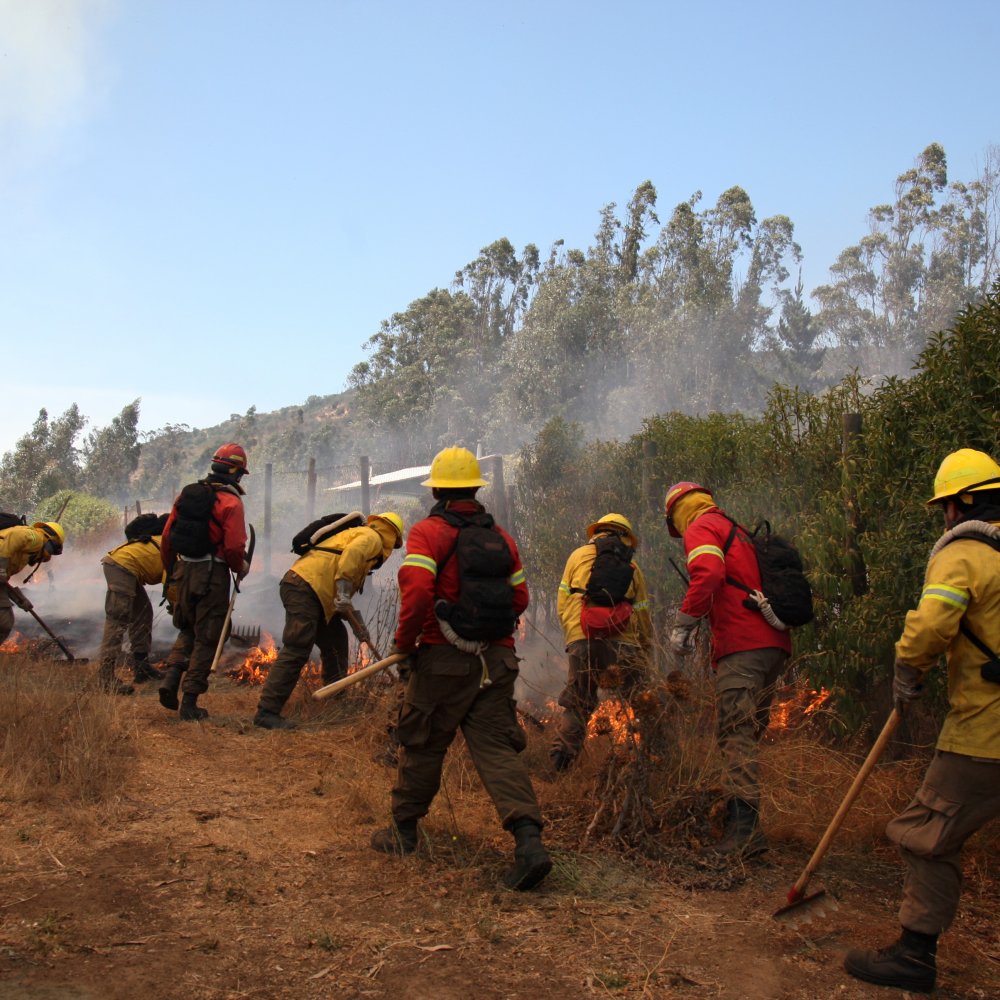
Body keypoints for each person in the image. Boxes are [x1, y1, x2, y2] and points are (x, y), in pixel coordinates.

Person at [844, 448, 1000, 994]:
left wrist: (908, 672)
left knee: (924, 834)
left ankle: (914, 954)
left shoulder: (966, 553)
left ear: (961, 503)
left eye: (945, 507)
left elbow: (932, 625)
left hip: (985, 732)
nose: (944, 518)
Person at [370, 446, 552, 891]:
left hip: (443, 661)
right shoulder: (502, 538)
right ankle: (529, 844)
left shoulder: (427, 533)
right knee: (496, 750)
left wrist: (405, 644)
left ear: (436, 491)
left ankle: (402, 832)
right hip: (497, 661)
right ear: (475, 490)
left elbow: (417, 593)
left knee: (422, 741)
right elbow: (521, 599)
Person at [664, 481, 791, 856]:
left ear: (677, 513)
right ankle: (741, 819)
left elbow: (708, 574)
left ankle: (744, 833)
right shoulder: (738, 529)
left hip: (743, 646)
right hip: (773, 645)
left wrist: (683, 625)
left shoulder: (701, 526)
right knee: (747, 733)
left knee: (735, 734)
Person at [253, 511, 405, 730]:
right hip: (305, 588)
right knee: (297, 647)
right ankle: (267, 712)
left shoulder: (360, 536)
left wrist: (359, 626)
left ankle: (336, 699)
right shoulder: (372, 538)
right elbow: (350, 559)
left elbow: (340, 599)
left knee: (336, 640)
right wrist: (343, 591)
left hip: (310, 590)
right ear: (392, 537)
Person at [549, 513, 652, 772]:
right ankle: (658, 757)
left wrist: (574, 637)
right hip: (624, 643)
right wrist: (644, 645)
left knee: (578, 702)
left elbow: (562, 603)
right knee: (643, 702)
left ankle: (560, 764)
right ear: (625, 537)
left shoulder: (576, 556)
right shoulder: (632, 566)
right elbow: (642, 612)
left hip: (582, 638)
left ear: (597, 532)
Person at [158, 443, 250, 721]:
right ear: (236, 472)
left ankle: (170, 679)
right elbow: (234, 547)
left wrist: (172, 572)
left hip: (183, 570)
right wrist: (240, 567)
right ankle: (189, 701)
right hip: (212, 576)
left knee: (187, 628)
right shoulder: (231, 503)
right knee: (208, 636)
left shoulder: (185, 496)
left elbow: (166, 538)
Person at [96, 513, 169, 695]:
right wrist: (177, 606)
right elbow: (171, 582)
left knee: (143, 613)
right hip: (121, 566)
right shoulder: (173, 546)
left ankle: (142, 669)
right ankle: (105, 679)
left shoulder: (168, 541)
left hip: (124, 565)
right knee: (117, 621)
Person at [0, 521, 65, 644]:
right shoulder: (37, 538)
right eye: (53, 550)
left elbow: (2, 582)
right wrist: (1, 568)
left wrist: (19, 599)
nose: (49, 556)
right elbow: (14, 536)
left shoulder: (23, 552)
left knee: (5, 619)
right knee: (4, 620)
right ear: (51, 541)